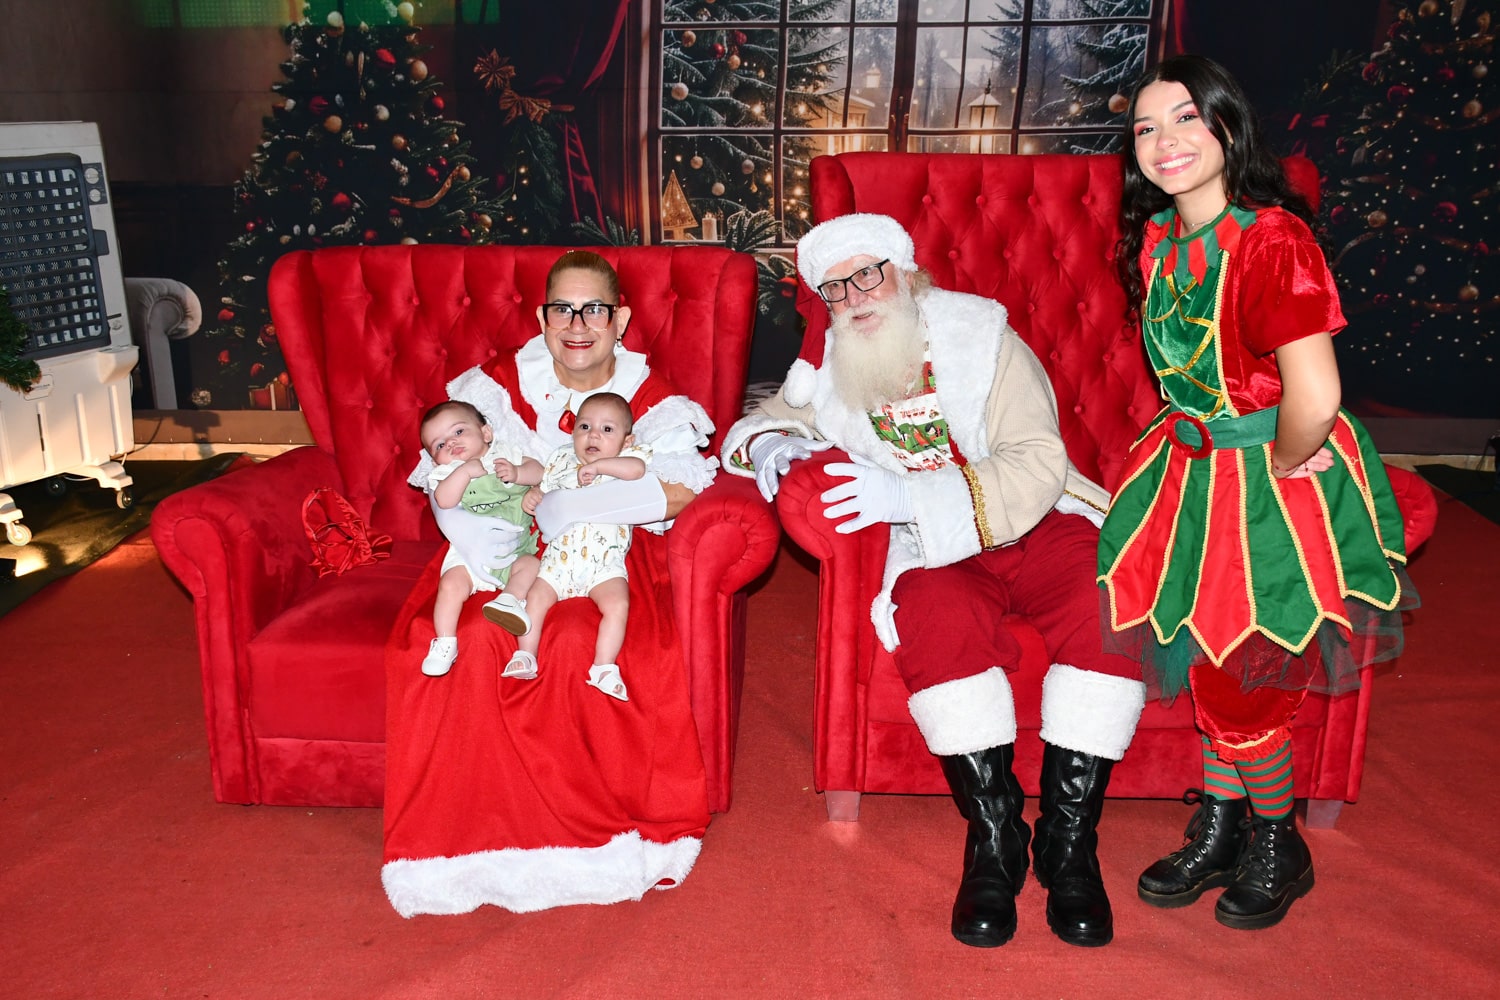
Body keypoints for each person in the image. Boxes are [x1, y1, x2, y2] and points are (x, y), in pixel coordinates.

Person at [722, 213, 1148, 949]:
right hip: (935, 547)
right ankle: (996, 838)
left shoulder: (983, 336)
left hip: (1038, 520)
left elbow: (1037, 461)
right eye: (835, 288)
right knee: (929, 610)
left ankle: (1070, 844)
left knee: (1108, 601)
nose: (855, 296)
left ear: (906, 274)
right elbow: (759, 420)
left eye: (867, 274)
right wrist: (770, 444)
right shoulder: (830, 366)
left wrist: (910, 494)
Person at [1099, 54, 1415, 931]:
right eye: (1146, 128)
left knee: (1249, 679)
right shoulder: (1159, 239)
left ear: (1229, 126)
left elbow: (1315, 394)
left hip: (1270, 481)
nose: (1164, 141)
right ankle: (1222, 823)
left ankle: (1279, 841)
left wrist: (1280, 464)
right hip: (1189, 475)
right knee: (1210, 662)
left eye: (1186, 118)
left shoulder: (1271, 239)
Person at [382, 250, 720, 917]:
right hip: (502, 545)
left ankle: (589, 843)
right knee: (468, 637)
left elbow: (682, 491)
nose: (578, 324)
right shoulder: (494, 388)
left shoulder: (649, 396)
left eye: (594, 309)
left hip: (607, 548)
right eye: (563, 309)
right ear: (542, 318)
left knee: (575, 640)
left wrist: (574, 506)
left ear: (620, 318)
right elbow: (443, 473)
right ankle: (468, 842)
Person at [505, 391, 651, 701]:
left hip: (603, 565)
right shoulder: (560, 460)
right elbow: (543, 489)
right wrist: (533, 495)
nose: (593, 435)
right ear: (572, 433)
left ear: (627, 441)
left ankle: (604, 667)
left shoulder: (628, 460)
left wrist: (602, 467)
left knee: (618, 604)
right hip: (558, 562)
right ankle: (526, 654)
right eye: (585, 427)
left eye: (607, 429)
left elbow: (637, 471)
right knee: (535, 598)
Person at [416, 399, 542, 677]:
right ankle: (445, 641)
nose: (451, 443)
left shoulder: (505, 455)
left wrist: (518, 473)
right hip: (467, 553)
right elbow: (444, 501)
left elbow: (539, 471)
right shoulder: (445, 473)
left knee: (531, 567)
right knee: (450, 585)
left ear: (486, 433)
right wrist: (463, 472)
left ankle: (509, 600)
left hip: (514, 547)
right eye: (440, 445)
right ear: (435, 460)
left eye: (459, 431)